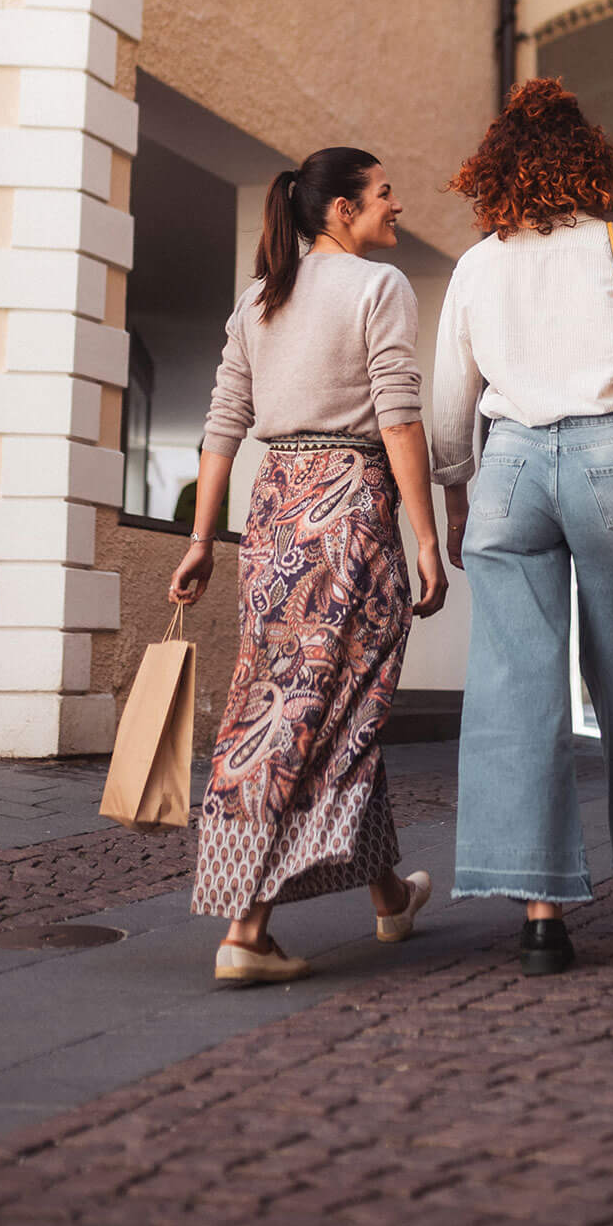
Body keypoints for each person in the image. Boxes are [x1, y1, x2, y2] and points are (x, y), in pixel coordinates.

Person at [433, 79, 613, 978]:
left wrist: (455, 484)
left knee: (514, 686)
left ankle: (540, 911)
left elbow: (448, 408)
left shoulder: (477, 265)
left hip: (506, 465)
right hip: (609, 463)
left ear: (493, 171)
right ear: (590, 161)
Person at [169, 148, 448, 987]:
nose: (396, 205)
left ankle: (390, 896)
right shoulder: (376, 288)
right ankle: (246, 929)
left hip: (272, 512)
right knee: (318, 706)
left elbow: (223, 422)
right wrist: (427, 538)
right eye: (383, 194)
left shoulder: (258, 299)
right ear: (340, 211)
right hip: (348, 510)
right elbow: (398, 414)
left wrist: (198, 537)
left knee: (310, 690)